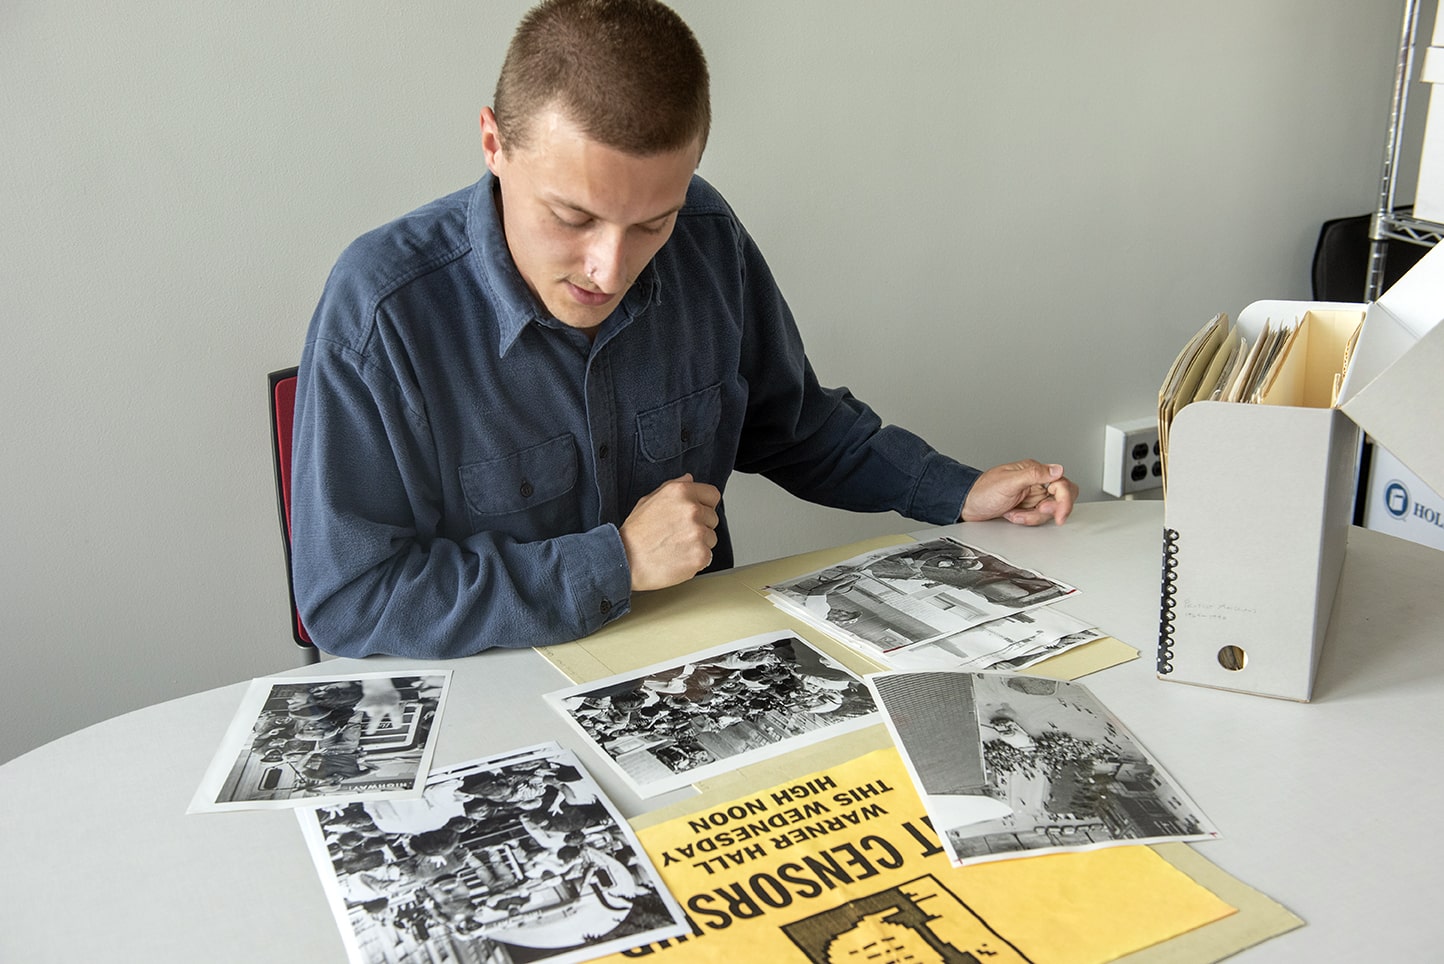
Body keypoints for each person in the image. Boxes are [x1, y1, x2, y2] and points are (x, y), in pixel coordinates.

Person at [290, 0, 1078, 659]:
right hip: (495, 695)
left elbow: (795, 425)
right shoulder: (381, 307)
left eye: (651, 224)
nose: (609, 267)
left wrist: (956, 490)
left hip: (693, 678)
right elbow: (351, 598)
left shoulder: (707, 235)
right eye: (573, 218)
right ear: (495, 144)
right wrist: (617, 562)